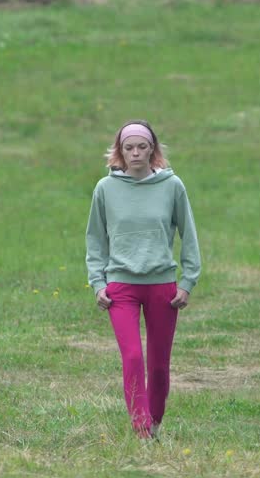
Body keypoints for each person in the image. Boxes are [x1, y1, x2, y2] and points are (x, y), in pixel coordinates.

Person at [85, 120, 202, 439]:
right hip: (120, 286)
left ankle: (155, 421)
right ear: (119, 152)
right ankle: (141, 429)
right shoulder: (105, 189)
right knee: (133, 357)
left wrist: (187, 281)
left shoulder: (172, 186)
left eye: (142, 146)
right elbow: (95, 240)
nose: (135, 153)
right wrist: (98, 282)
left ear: (153, 150)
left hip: (163, 287)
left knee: (160, 365)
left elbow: (188, 235)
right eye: (129, 147)